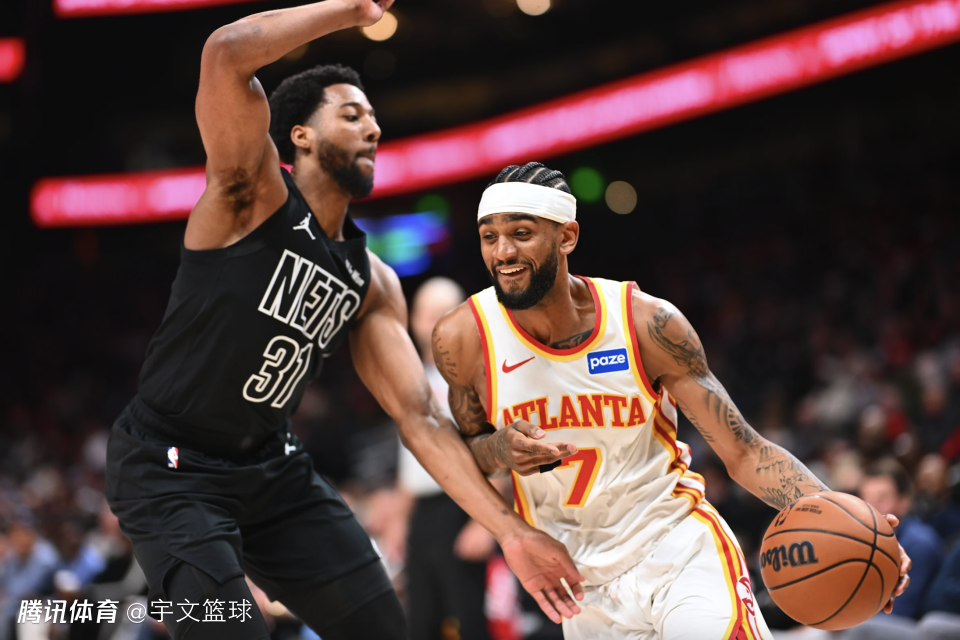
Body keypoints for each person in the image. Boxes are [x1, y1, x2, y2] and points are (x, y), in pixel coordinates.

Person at [103, 5, 584, 640]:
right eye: (352, 115)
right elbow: (225, 53)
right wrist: (352, 9)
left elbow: (421, 419)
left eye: (375, 119)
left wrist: (512, 532)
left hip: (271, 470)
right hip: (171, 467)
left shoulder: (373, 283)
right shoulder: (249, 197)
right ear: (300, 135)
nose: (374, 129)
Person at [432, 162, 913, 640]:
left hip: (674, 548)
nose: (503, 252)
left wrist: (854, 524)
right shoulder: (462, 339)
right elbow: (468, 454)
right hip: (579, 581)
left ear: (567, 237)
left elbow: (744, 451)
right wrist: (500, 449)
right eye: (489, 237)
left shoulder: (645, 324)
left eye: (521, 233)